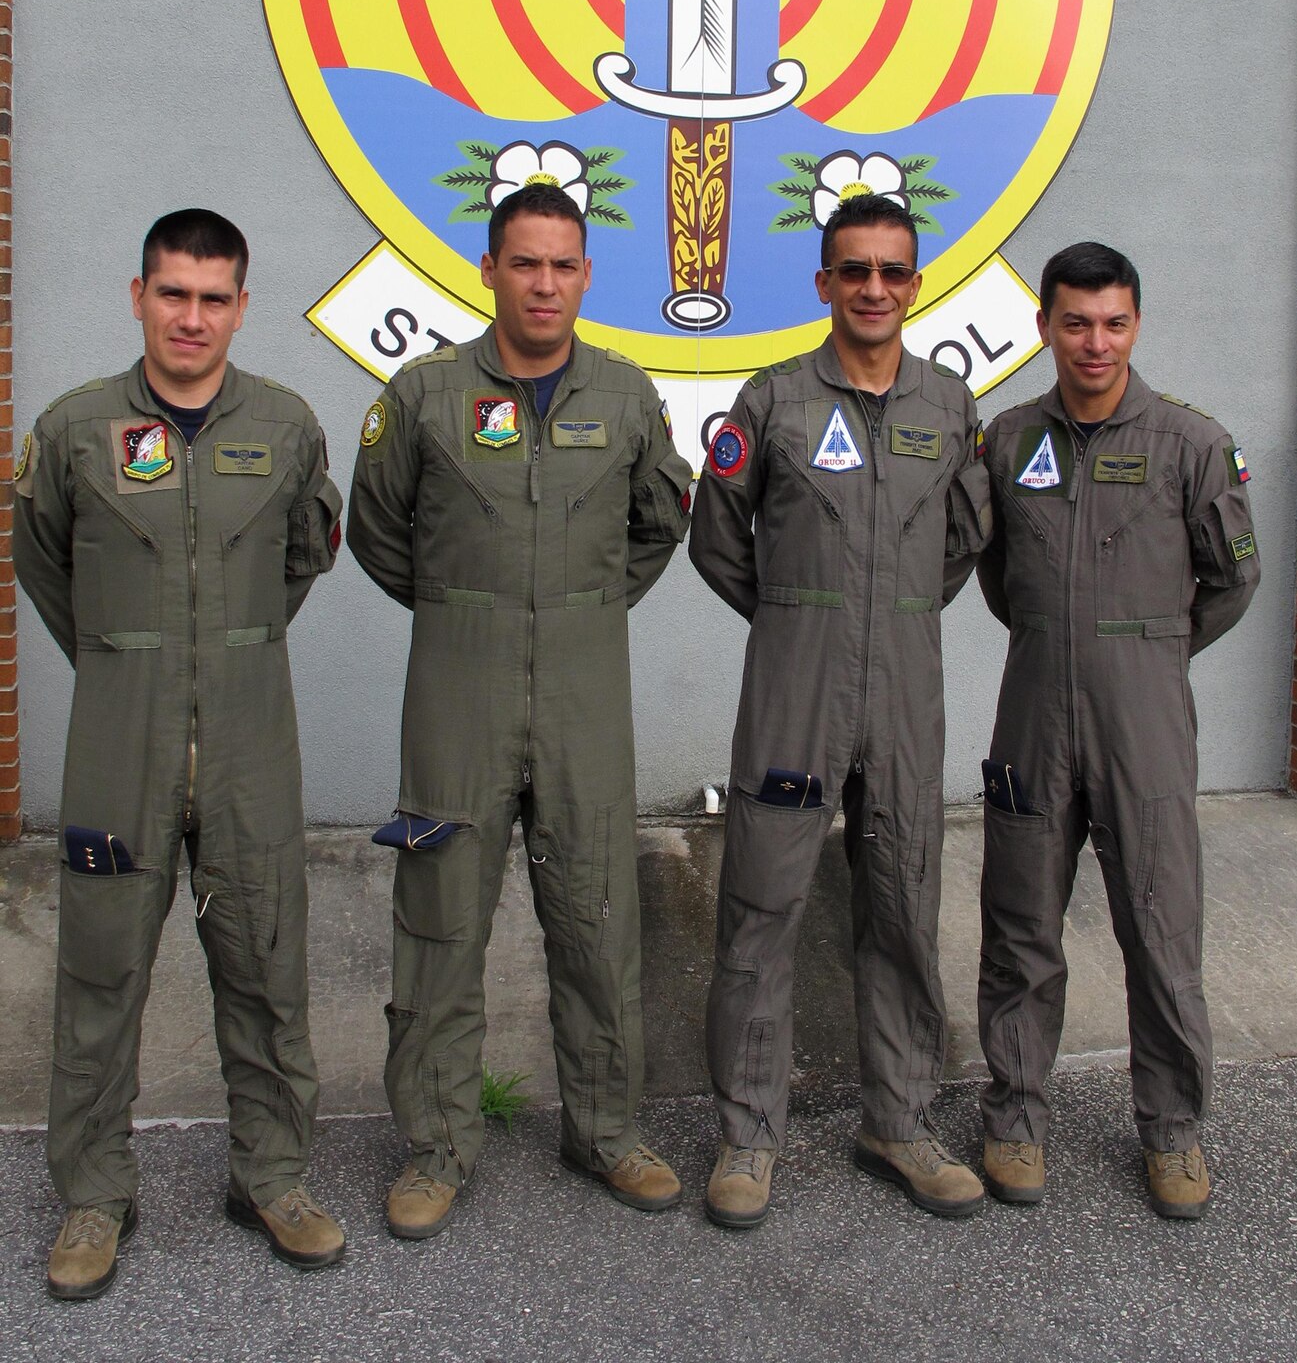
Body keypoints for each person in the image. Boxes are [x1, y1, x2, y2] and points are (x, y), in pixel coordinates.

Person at [347, 184, 693, 1240]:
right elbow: (376, 530)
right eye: (524, 262)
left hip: (587, 684)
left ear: (585, 275)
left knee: (595, 915)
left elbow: (657, 523)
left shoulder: (628, 395)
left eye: (562, 264)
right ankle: (437, 1142)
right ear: (488, 269)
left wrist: (572, 608)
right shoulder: (422, 395)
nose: (543, 282)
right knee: (441, 915)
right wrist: (475, 609)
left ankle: (604, 1128)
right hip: (459, 679)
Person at [14, 209, 345, 1301]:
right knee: (101, 973)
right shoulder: (74, 430)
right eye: (173, 292)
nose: (191, 315)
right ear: (138, 295)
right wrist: (128, 660)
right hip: (122, 734)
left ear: (241, 306)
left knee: (264, 966)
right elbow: (46, 560)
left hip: (253, 733)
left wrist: (225, 652)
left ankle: (274, 1176)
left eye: (214, 296)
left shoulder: (288, 426)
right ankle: (96, 1194)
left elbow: (303, 558)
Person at [688, 192, 993, 1228]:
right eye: (852, 269)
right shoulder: (770, 400)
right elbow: (718, 538)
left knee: (903, 901)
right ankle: (747, 1133)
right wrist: (796, 616)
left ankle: (899, 1120)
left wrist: (888, 614)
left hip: (904, 686)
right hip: (795, 682)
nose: (873, 287)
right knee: (762, 904)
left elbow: (962, 539)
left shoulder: (950, 406)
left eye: (891, 270)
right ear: (822, 283)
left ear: (915, 282)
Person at [975, 241, 1259, 1219]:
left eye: (1113, 321)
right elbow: (996, 573)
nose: (1093, 341)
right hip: (1032, 713)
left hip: (1144, 723)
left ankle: (1172, 1131)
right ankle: (1014, 1112)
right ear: (1046, 325)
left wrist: (1145, 650)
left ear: (1135, 324)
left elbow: (1233, 577)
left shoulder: (1191, 442)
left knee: (1160, 928)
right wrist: (1063, 638)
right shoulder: (1008, 439)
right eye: (1075, 321)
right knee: (1019, 926)